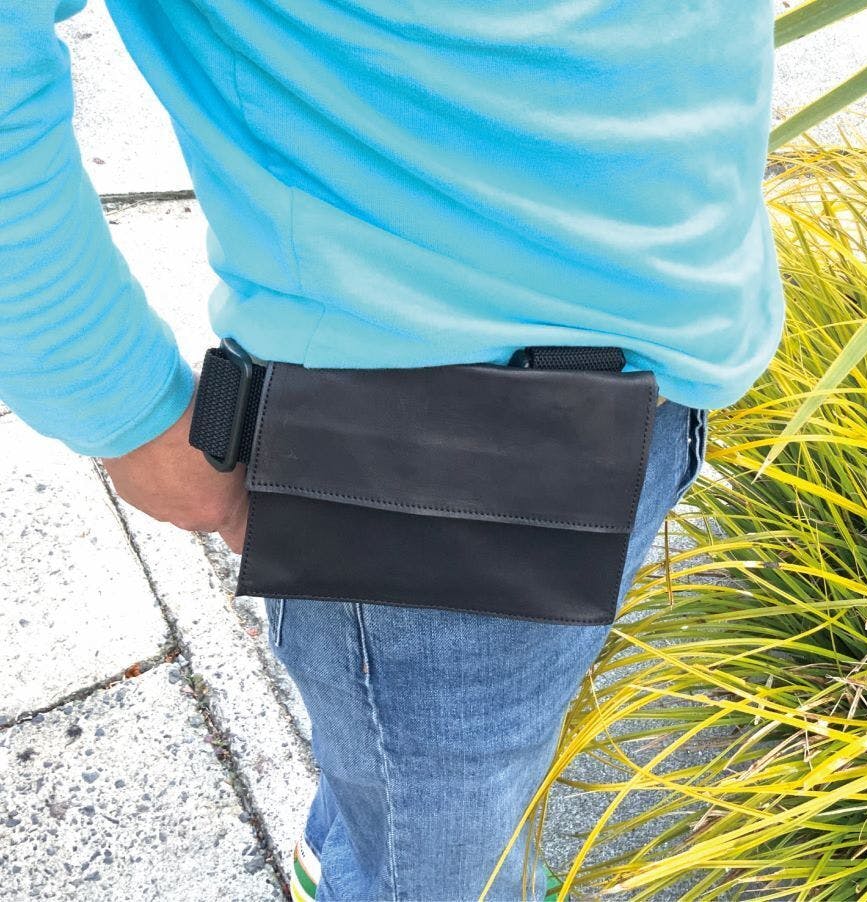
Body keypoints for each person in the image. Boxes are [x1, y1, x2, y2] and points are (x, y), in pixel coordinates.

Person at [0, 2, 784, 899]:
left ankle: (358, 853)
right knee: (443, 850)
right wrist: (133, 417)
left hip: (651, 398)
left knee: (430, 786)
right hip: (432, 459)